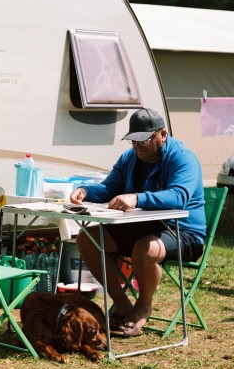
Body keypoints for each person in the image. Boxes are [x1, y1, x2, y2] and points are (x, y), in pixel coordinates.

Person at [69, 108, 205, 338]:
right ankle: (122, 306)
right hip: (143, 227)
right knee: (88, 238)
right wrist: (85, 191)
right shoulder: (129, 158)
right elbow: (110, 188)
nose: (137, 146)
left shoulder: (183, 158)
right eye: (133, 140)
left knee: (146, 248)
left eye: (144, 140)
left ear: (163, 134)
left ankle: (143, 306)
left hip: (182, 231)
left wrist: (137, 197)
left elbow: (179, 196)